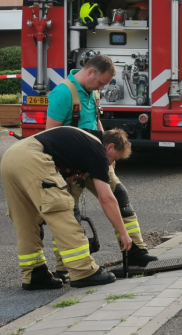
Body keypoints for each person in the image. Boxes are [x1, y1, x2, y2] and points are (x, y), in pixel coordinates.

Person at [46, 54, 157, 277]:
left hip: (94, 159)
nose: (102, 87)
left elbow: (97, 122)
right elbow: (51, 136)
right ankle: (64, 268)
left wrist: (107, 157)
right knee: (68, 215)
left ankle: (135, 251)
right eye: (101, 83)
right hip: (71, 167)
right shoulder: (63, 94)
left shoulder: (93, 90)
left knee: (119, 196)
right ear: (90, 72)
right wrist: (60, 170)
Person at [1, 127, 133, 290]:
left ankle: (35, 273)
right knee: (62, 211)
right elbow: (106, 198)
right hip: (32, 158)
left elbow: (61, 150)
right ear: (110, 147)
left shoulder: (85, 137)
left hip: (10, 157)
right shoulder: (98, 149)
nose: (112, 163)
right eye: (114, 158)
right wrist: (123, 232)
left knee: (26, 219)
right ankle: (84, 270)